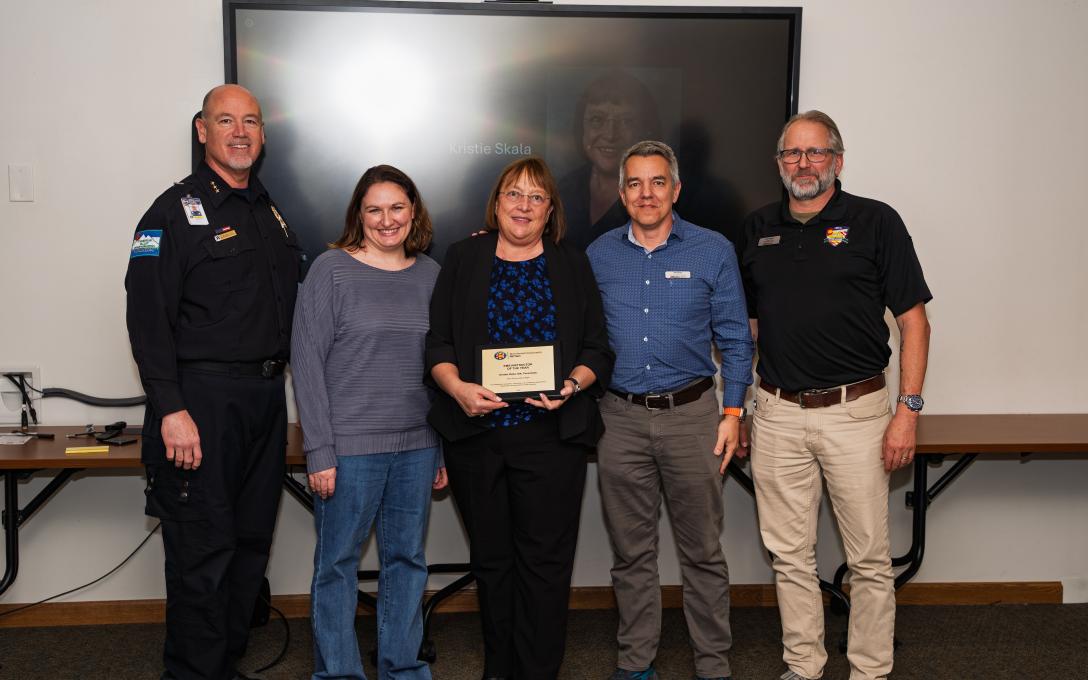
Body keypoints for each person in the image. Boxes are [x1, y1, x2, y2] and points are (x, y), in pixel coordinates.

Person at [737, 110, 932, 680]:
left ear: (837, 161)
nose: (803, 164)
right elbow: (746, 324)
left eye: (815, 153)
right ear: (779, 164)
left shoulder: (875, 222)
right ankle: (804, 666)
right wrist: (739, 405)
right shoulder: (755, 228)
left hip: (858, 412)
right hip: (775, 412)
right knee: (790, 557)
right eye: (792, 154)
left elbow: (915, 324)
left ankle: (871, 670)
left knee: (869, 558)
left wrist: (908, 413)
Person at [125, 84, 302, 680]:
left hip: (263, 400)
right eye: (226, 120)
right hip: (200, 404)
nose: (240, 131)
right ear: (202, 131)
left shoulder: (269, 214)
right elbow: (146, 318)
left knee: (250, 547)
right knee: (203, 551)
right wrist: (170, 408)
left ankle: (222, 665)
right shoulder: (169, 214)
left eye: (251, 121)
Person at [425, 157, 614, 680]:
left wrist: (571, 386)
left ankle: (537, 671)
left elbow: (598, 349)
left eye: (536, 197)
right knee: (492, 562)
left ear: (550, 209)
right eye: (514, 194)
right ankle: (499, 669)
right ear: (497, 202)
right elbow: (437, 342)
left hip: (551, 435)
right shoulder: (463, 258)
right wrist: (458, 389)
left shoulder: (572, 264)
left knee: (545, 568)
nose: (524, 206)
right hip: (476, 436)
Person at [586, 140, 753, 680]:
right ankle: (636, 663)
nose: (646, 193)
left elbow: (734, 338)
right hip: (621, 419)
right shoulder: (599, 254)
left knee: (702, 551)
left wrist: (733, 413)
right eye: (634, 183)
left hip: (694, 417)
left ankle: (712, 663)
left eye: (658, 182)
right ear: (622, 193)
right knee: (632, 554)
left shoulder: (712, 250)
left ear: (676, 189)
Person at [291, 165, 448, 680]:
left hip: (418, 445)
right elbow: (306, 362)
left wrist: (441, 448)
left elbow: (442, 368)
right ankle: (338, 673)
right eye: (374, 209)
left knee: (407, 561)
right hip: (350, 449)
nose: (386, 220)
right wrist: (320, 450)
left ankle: (402, 667)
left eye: (397, 207)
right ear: (359, 214)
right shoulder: (331, 271)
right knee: (336, 565)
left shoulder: (431, 274)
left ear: (413, 211)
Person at [558, 70, 662, 251]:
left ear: (646, 130)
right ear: (581, 127)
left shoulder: (660, 198)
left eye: (626, 121)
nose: (610, 134)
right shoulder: (561, 189)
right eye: (597, 119)